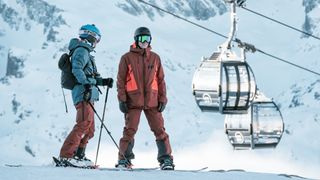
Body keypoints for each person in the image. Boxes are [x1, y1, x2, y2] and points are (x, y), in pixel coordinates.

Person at [116, 27, 174, 170]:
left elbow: (161, 80)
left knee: (159, 129)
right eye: (141, 39)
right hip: (133, 101)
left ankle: (166, 159)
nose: (144, 42)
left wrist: (162, 99)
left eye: (147, 39)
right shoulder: (126, 58)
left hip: (152, 101)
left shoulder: (155, 58)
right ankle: (124, 160)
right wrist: (122, 100)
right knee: (130, 130)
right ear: (136, 40)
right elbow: (120, 81)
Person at [58, 24, 113, 167]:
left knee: (90, 129)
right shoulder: (81, 50)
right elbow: (77, 70)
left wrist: (104, 81)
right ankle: (66, 156)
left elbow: (91, 75)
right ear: (91, 36)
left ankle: (79, 155)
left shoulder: (86, 52)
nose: (97, 42)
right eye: (97, 39)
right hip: (82, 92)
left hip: (89, 93)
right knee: (83, 124)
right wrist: (87, 84)